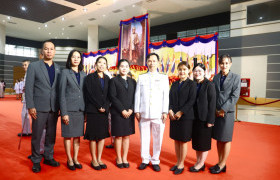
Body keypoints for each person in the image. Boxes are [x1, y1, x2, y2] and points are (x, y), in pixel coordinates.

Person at [25, 40, 61, 173]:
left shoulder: (58, 68)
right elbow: (28, 88)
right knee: (37, 135)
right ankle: (35, 160)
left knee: (51, 135)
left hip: (53, 107)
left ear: (55, 51)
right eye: (46, 49)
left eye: (51, 49)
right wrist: (30, 105)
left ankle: (48, 156)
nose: (49, 51)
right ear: (42, 51)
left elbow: (58, 89)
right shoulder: (34, 66)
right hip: (38, 107)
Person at [134, 52, 169, 172]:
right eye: (149, 61)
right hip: (143, 112)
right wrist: (137, 110)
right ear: (147, 62)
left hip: (158, 113)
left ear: (158, 63)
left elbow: (166, 96)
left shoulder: (164, 77)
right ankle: (145, 159)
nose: (152, 63)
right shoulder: (141, 77)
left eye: (154, 61)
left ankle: (155, 160)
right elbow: (137, 94)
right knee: (144, 138)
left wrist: (165, 111)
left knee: (158, 138)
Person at [210, 54, 241, 174]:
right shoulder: (216, 77)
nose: (224, 65)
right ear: (219, 64)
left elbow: (234, 96)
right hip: (216, 112)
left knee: (226, 139)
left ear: (230, 64)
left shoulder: (236, 77)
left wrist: (223, 109)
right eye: (222, 63)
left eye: (227, 63)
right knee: (218, 138)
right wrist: (215, 110)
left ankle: (223, 164)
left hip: (227, 113)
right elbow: (213, 95)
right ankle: (220, 162)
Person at [59, 50, 86, 171]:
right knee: (68, 136)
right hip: (68, 110)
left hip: (80, 109)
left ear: (81, 59)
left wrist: (86, 112)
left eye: (78, 57)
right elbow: (61, 94)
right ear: (70, 59)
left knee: (77, 136)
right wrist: (64, 112)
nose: (76, 59)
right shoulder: (65, 72)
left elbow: (85, 93)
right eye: (73, 57)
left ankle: (75, 158)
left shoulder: (84, 74)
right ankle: (69, 159)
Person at [168, 61, 196, 175]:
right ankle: (177, 161)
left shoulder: (192, 84)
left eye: (184, 69)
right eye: (180, 69)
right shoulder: (174, 84)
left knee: (183, 141)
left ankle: (181, 164)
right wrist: (170, 109)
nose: (182, 71)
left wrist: (181, 112)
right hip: (174, 116)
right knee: (176, 139)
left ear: (189, 71)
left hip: (186, 116)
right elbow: (169, 98)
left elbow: (192, 100)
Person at [84, 56, 110, 170]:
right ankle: (93, 159)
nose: (102, 65)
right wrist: (98, 106)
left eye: (104, 63)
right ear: (96, 64)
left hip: (104, 112)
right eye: (100, 62)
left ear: (106, 65)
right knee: (93, 136)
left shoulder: (108, 78)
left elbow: (110, 95)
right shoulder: (89, 77)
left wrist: (105, 106)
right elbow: (88, 94)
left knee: (102, 136)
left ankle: (99, 158)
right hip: (93, 110)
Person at [109, 59, 136, 168]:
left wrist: (131, 109)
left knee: (126, 136)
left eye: (126, 66)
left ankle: (125, 157)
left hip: (129, 112)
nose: (124, 68)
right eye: (122, 66)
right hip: (117, 112)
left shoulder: (133, 81)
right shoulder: (113, 81)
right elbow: (113, 97)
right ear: (118, 68)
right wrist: (122, 110)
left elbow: (136, 97)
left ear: (129, 68)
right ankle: (119, 158)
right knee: (118, 136)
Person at [190, 63, 216, 172]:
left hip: (205, 118)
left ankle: (201, 163)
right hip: (194, 118)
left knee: (204, 142)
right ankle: (198, 161)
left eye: (200, 71)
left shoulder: (209, 85)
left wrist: (211, 120)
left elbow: (212, 103)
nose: (197, 73)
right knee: (196, 142)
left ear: (204, 72)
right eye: (195, 71)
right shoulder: (192, 84)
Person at [18, 60, 32, 137]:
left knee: (25, 114)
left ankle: (27, 131)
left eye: (25, 65)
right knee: (25, 114)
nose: (24, 66)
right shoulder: (26, 74)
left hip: (30, 97)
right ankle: (27, 131)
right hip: (26, 96)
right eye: (23, 65)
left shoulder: (30, 74)